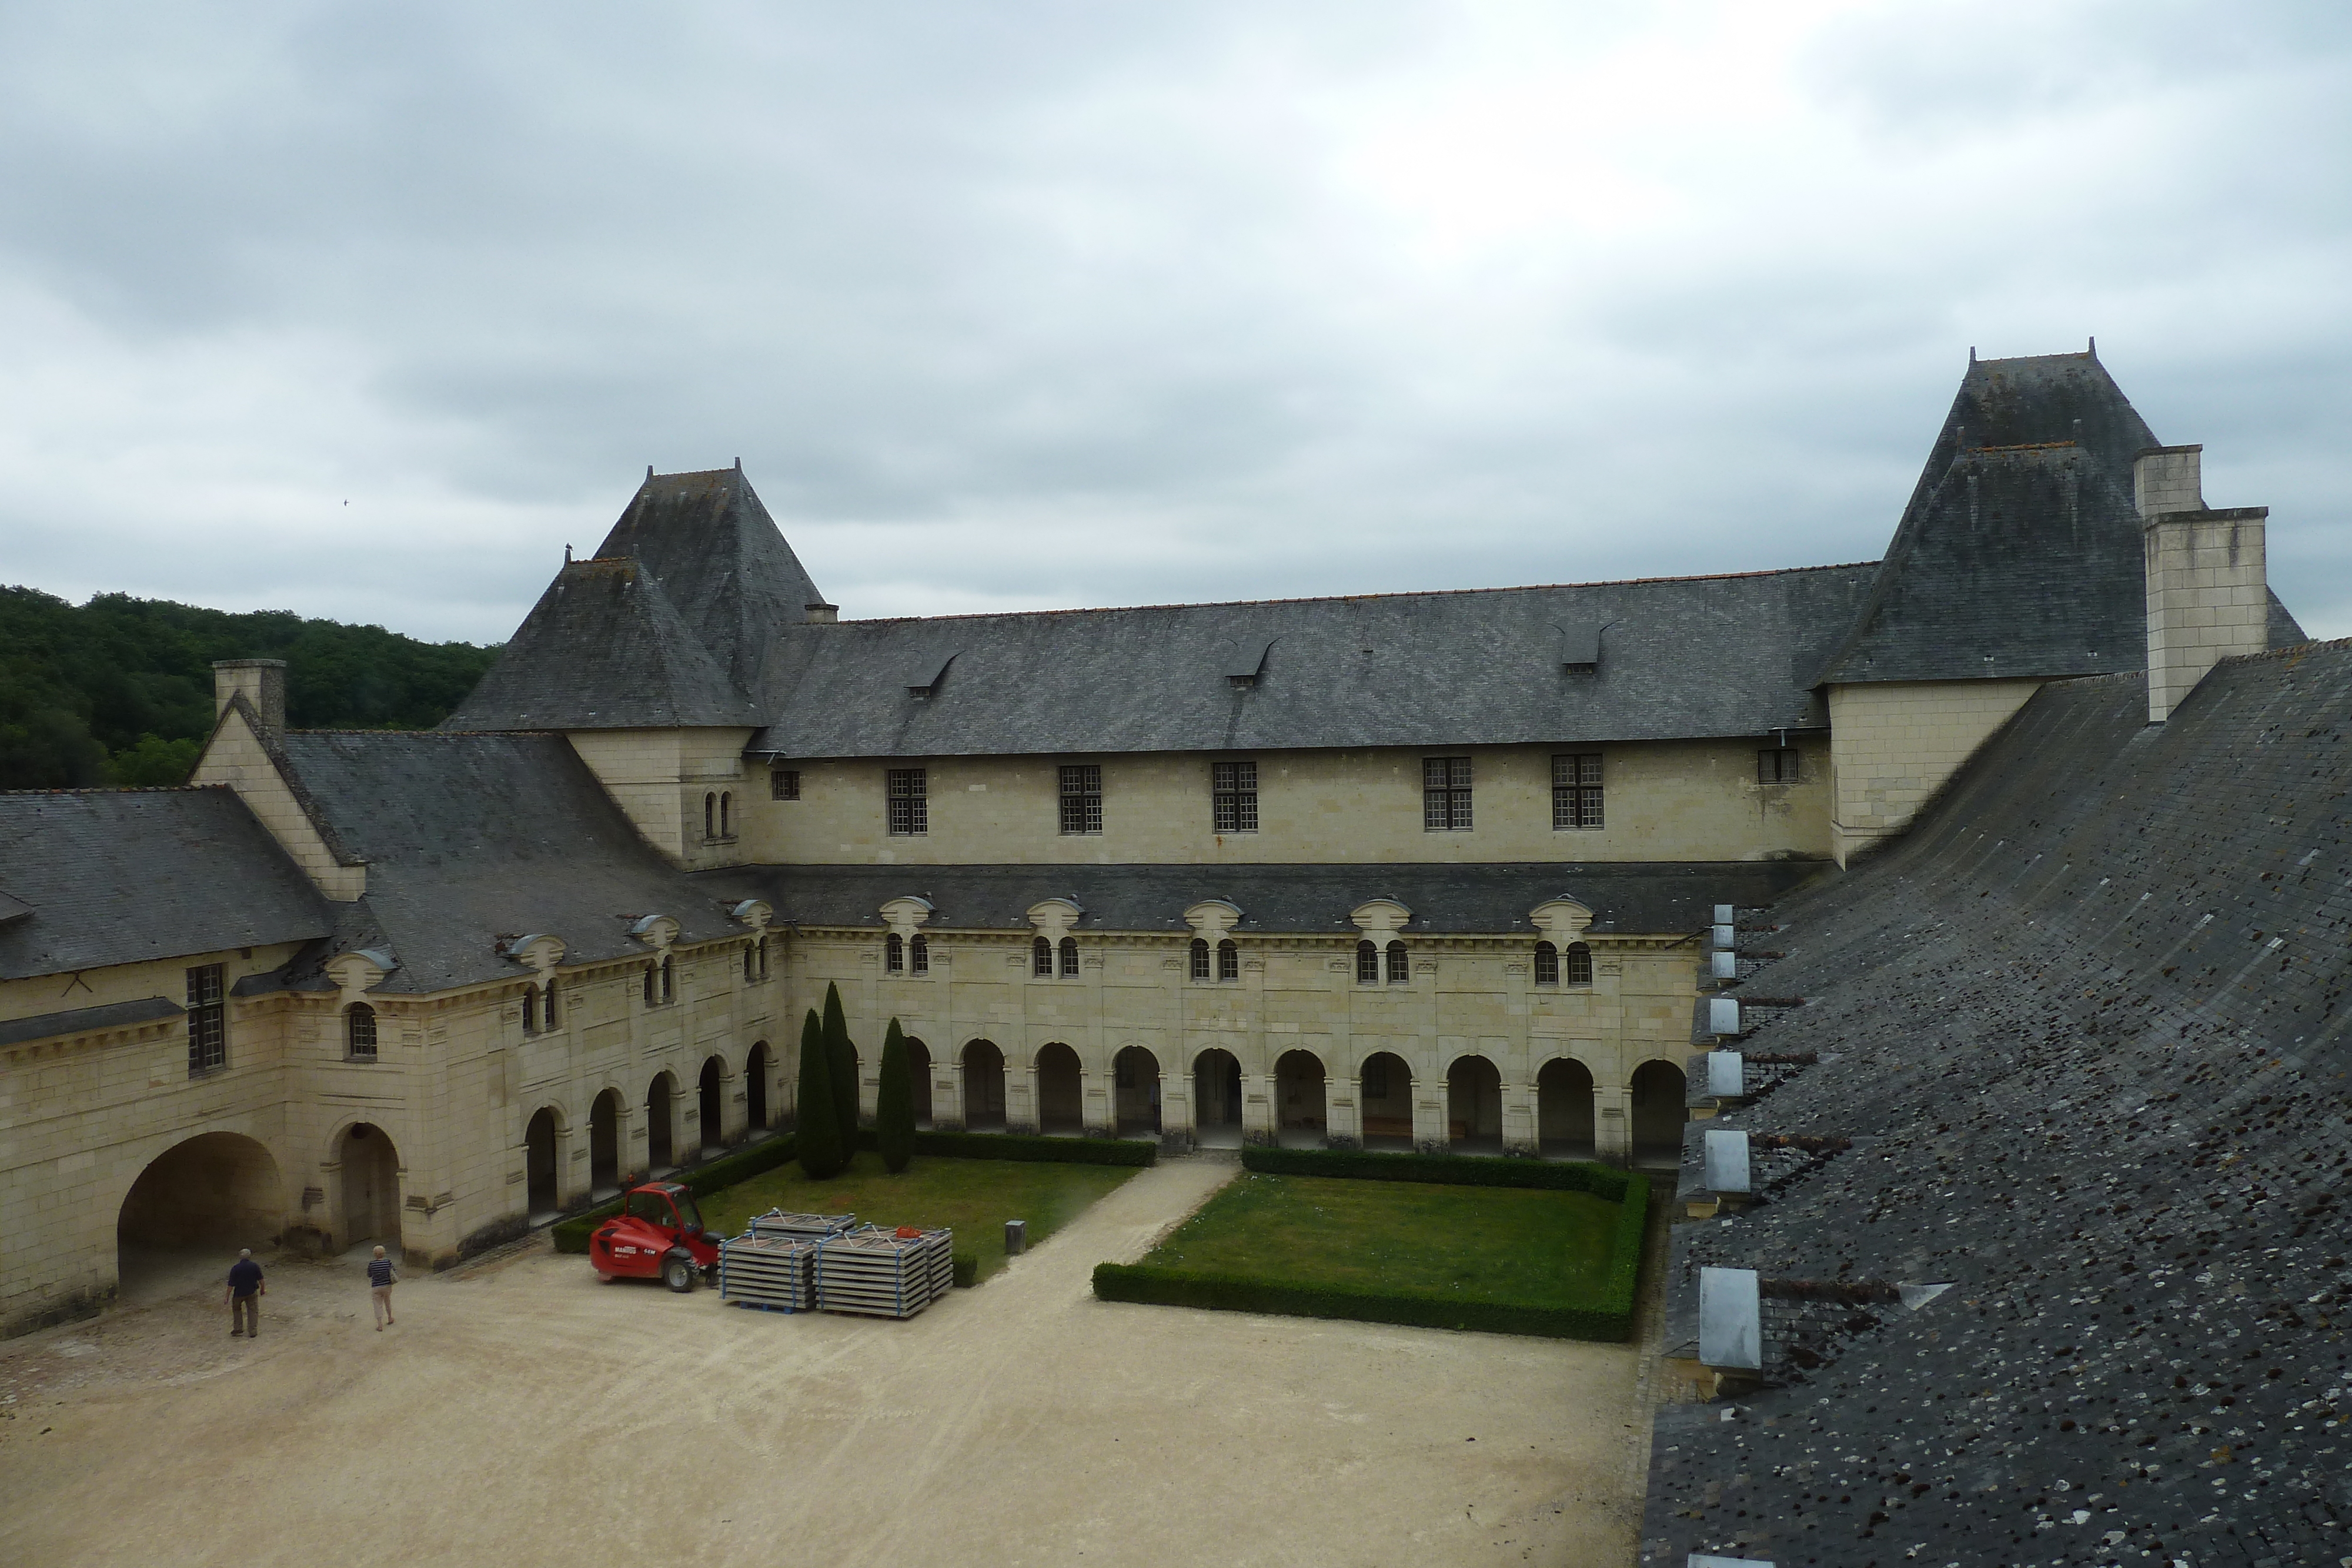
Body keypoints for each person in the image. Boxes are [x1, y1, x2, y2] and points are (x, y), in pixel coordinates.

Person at [225, 1248, 264, 1338]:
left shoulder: (236, 1268)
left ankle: (238, 1328)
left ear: (240, 1257)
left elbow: (231, 1284)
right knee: (253, 1311)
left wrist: (227, 1296)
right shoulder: (254, 1266)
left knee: (237, 1309)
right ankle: (253, 1331)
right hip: (252, 1292)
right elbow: (261, 1280)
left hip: (239, 1293)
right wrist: (263, 1289)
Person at [367, 1245, 397, 1329]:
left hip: (376, 1286)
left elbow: (369, 1275)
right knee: (387, 1302)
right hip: (387, 1285)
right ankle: (390, 1318)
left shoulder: (372, 1264)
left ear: (374, 1254)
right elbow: (394, 1271)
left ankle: (380, 1324)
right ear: (384, 1254)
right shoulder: (388, 1262)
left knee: (377, 1305)